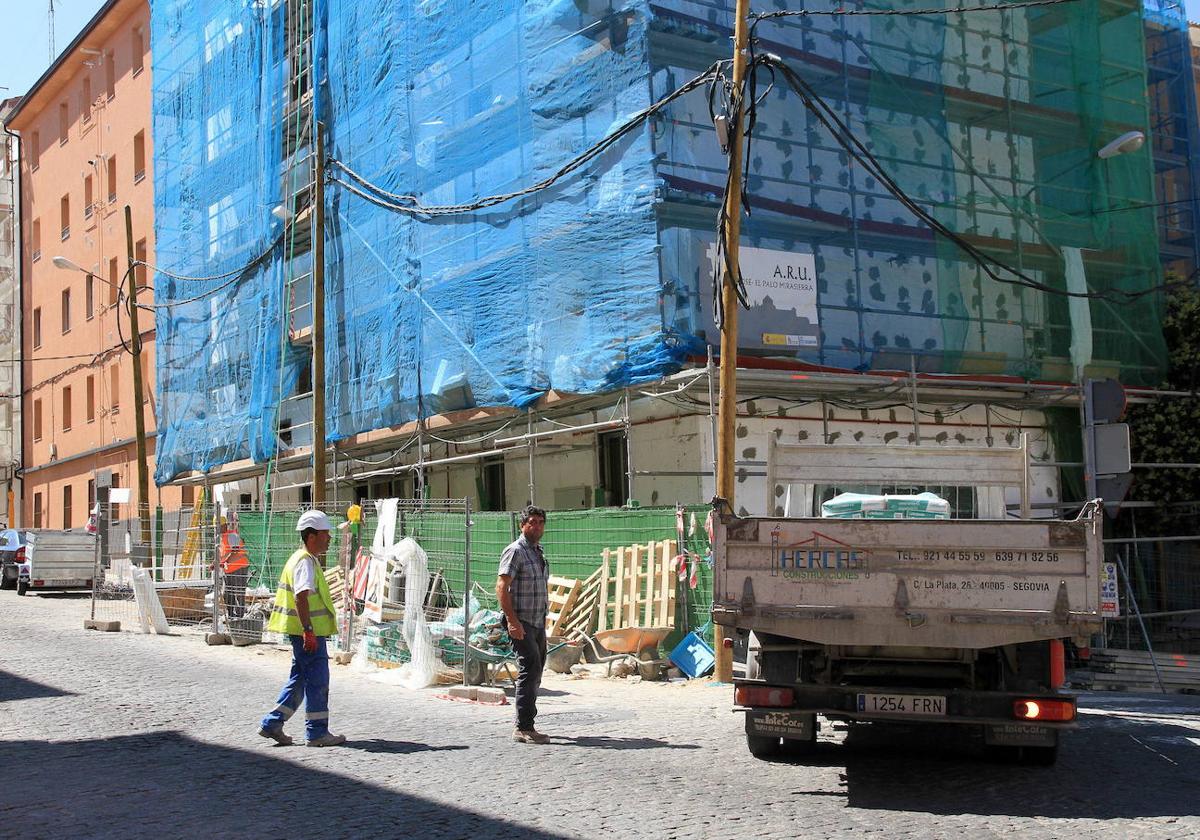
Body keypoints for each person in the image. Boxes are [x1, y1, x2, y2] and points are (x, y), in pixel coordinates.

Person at [258, 510, 346, 748]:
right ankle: (317, 733)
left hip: (304, 633)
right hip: (308, 634)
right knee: (317, 680)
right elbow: (301, 597)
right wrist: (308, 630)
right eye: (325, 534)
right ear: (311, 536)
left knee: (299, 679)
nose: (329, 538)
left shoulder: (303, 559)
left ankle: (272, 724)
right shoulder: (304, 562)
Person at [496, 505, 550, 744]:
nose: (536, 526)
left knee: (536, 672)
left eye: (540, 522)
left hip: (537, 622)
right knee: (530, 670)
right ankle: (524, 727)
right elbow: (502, 586)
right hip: (521, 622)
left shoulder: (538, 552)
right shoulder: (515, 551)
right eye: (531, 522)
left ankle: (528, 722)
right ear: (522, 525)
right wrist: (511, 621)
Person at [219, 516, 250, 620]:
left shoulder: (232, 536)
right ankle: (231, 615)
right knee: (228, 594)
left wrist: (225, 562)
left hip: (239, 567)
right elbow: (223, 555)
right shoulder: (221, 538)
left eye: (218, 526)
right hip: (228, 570)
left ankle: (239, 617)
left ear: (224, 525)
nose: (216, 528)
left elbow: (235, 552)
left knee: (239, 593)